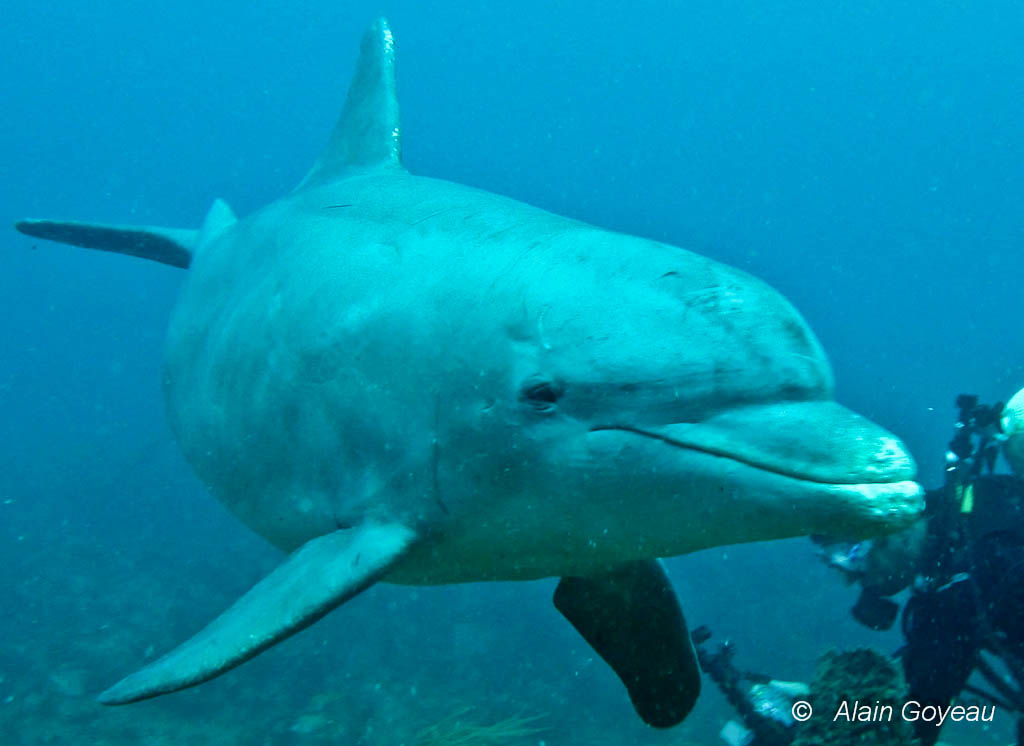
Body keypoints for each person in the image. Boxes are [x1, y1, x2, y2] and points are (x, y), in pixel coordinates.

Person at [819, 389, 1024, 746]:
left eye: (853, 552)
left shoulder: (962, 578)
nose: (852, 578)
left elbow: (915, 720)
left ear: (887, 527)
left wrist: (819, 718)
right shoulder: (976, 512)